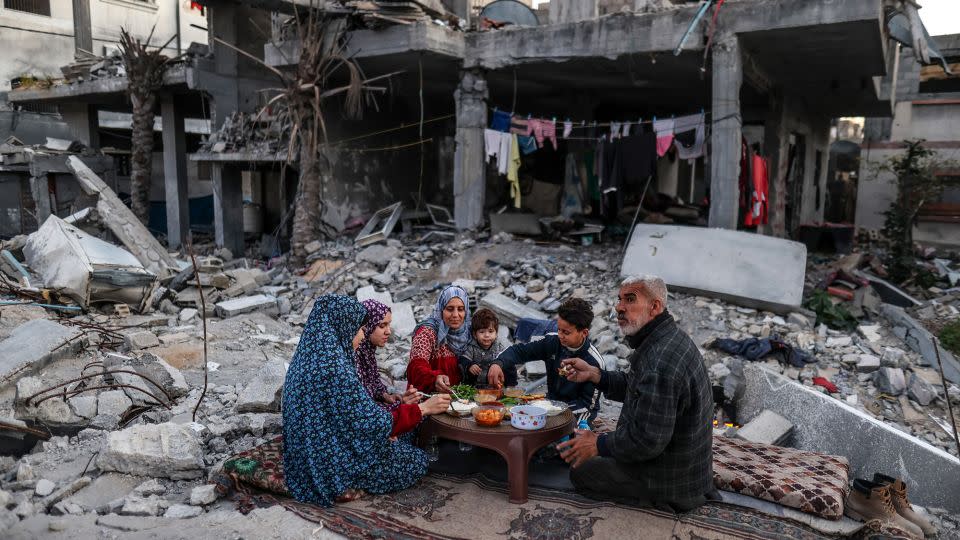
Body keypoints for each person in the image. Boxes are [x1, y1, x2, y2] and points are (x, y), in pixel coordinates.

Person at [556, 275, 716, 512]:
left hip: (670, 478)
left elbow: (647, 441)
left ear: (655, 307)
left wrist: (597, 444)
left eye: (630, 299)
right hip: (686, 465)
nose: (619, 307)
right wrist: (596, 375)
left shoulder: (660, 360)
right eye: (620, 299)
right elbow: (637, 385)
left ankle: (661, 502)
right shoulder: (666, 338)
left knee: (581, 472)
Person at [282, 294, 450, 506]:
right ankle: (346, 485)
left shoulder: (310, 355)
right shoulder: (335, 369)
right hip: (330, 459)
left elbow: (350, 413)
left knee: (402, 435)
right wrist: (423, 409)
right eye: (360, 329)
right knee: (417, 461)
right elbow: (370, 422)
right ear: (343, 327)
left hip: (306, 453)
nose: (362, 335)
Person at [488, 298, 602, 420]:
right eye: (558, 329)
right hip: (550, 405)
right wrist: (498, 363)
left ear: (584, 333)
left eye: (566, 332)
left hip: (578, 412)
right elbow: (520, 351)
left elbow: (588, 405)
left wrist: (557, 412)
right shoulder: (552, 342)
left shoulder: (594, 362)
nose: (560, 335)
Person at [355, 299, 419, 411]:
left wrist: (386, 396)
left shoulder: (367, 351)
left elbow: (373, 384)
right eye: (382, 325)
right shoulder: (354, 356)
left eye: (388, 325)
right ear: (366, 326)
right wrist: (401, 405)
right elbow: (365, 409)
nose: (388, 331)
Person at [406, 285, 471, 393]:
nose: (455, 315)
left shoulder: (470, 332)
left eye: (460, 309)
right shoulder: (427, 333)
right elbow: (416, 366)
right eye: (450, 309)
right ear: (441, 309)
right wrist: (434, 379)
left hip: (461, 399)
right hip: (428, 397)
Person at [457, 308, 505, 386]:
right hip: (474, 385)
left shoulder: (498, 347)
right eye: (482, 332)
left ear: (496, 333)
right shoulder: (472, 347)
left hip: (494, 383)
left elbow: (506, 361)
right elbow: (463, 359)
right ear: (475, 335)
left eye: (491, 331)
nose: (486, 335)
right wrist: (470, 365)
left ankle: (509, 387)